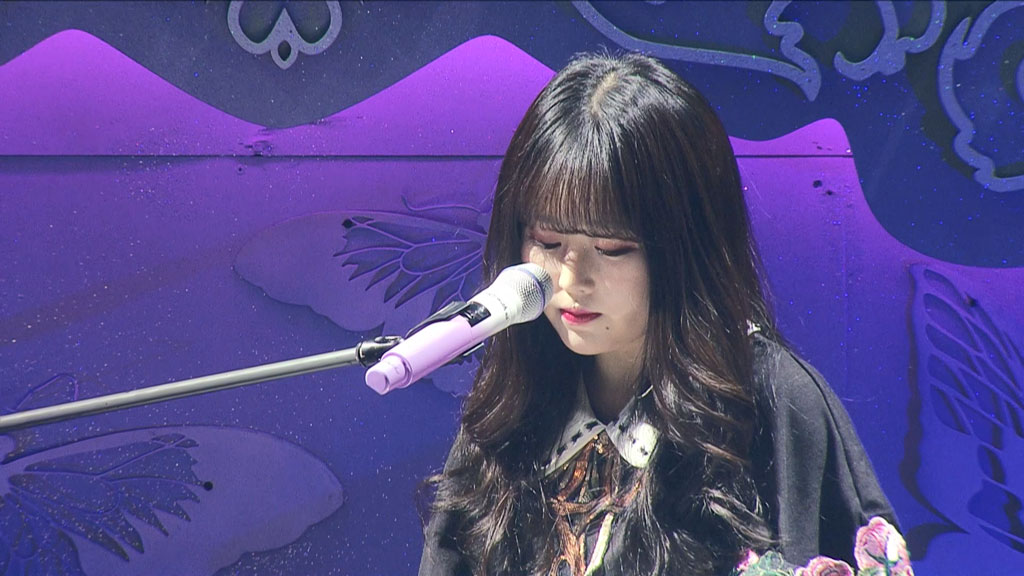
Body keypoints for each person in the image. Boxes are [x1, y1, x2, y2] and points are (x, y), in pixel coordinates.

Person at [418, 52, 905, 576]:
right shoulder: (513, 409)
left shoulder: (772, 404)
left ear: (686, 245)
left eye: (611, 247)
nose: (571, 279)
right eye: (549, 241)